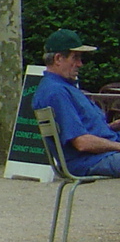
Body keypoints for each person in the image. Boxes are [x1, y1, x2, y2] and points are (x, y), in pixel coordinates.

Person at [31, 28, 120, 175]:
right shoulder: (56, 92)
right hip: (90, 160)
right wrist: (118, 146)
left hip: (100, 154)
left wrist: (113, 126)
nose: (80, 64)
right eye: (75, 58)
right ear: (58, 59)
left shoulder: (62, 86)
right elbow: (82, 142)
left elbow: (85, 130)